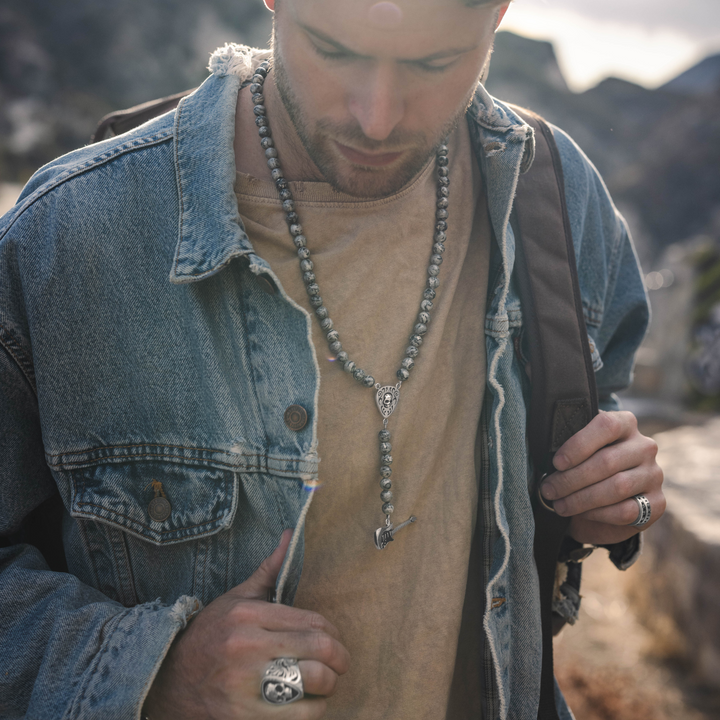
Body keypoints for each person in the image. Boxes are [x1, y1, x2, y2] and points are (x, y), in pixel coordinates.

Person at [0, 0, 664, 718]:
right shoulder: (68, 237)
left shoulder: (557, 198)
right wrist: (152, 673)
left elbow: (601, 420)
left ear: (499, 12)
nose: (376, 118)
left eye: (432, 64)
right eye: (335, 52)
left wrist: (614, 497)